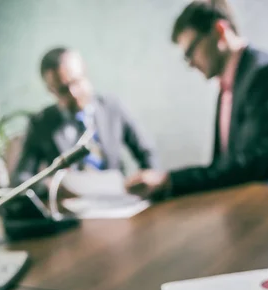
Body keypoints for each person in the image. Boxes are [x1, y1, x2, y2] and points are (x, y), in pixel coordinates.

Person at [126, 0, 268, 199]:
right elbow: (225, 165)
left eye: (190, 51)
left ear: (220, 30)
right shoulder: (229, 86)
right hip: (253, 198)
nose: (191, 63)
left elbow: (248, 163)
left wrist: (169, 180)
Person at [13, 47, 159, 192]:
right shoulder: (41, 124)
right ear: (50, 89)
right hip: (72, 207)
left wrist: (148, 179)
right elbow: (20, 178)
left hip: (119, 196)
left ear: (85, 72)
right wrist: (49, 187)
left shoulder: (112, 107)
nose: (74, 93)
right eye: (63, 89)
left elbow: (147, 151)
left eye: (76, 82)